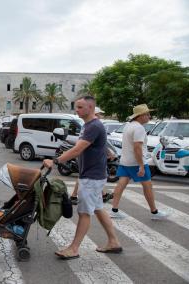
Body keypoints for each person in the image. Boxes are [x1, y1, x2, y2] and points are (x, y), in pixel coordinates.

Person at [43, 96, 122, 260]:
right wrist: (107, 153)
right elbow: (97, 145)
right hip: (93, 174)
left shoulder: (93, 125)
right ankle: (114, 242)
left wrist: (55, 161)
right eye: (76, 107)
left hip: (92, 177)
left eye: (80, 107)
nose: (76, 110)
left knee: (84, 213)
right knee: (98, 209)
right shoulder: (89, 125)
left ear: (91, 107)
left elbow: (77, 149)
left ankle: (74, 248)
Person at [110, 104, 168, 219]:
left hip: (125, 160)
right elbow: (137, 148)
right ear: (140, 116)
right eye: (147, 114)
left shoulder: (128, 126)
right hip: (136, 162)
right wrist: (141, 166)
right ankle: (154, 212)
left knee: (121, 184)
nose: (149, 116)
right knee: (148, 186)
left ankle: (114, 210)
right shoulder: (139, 128)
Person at [70, 106, 115, 205]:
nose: (100, 116)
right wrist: (109, 153)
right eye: (99, 114)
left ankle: (102, 195)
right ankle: (74, 195)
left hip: (85, 156)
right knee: (90, 177)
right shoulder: (94, 126)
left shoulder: (88, 125)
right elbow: (101, 143)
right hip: (91, 157)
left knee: (86, 176)